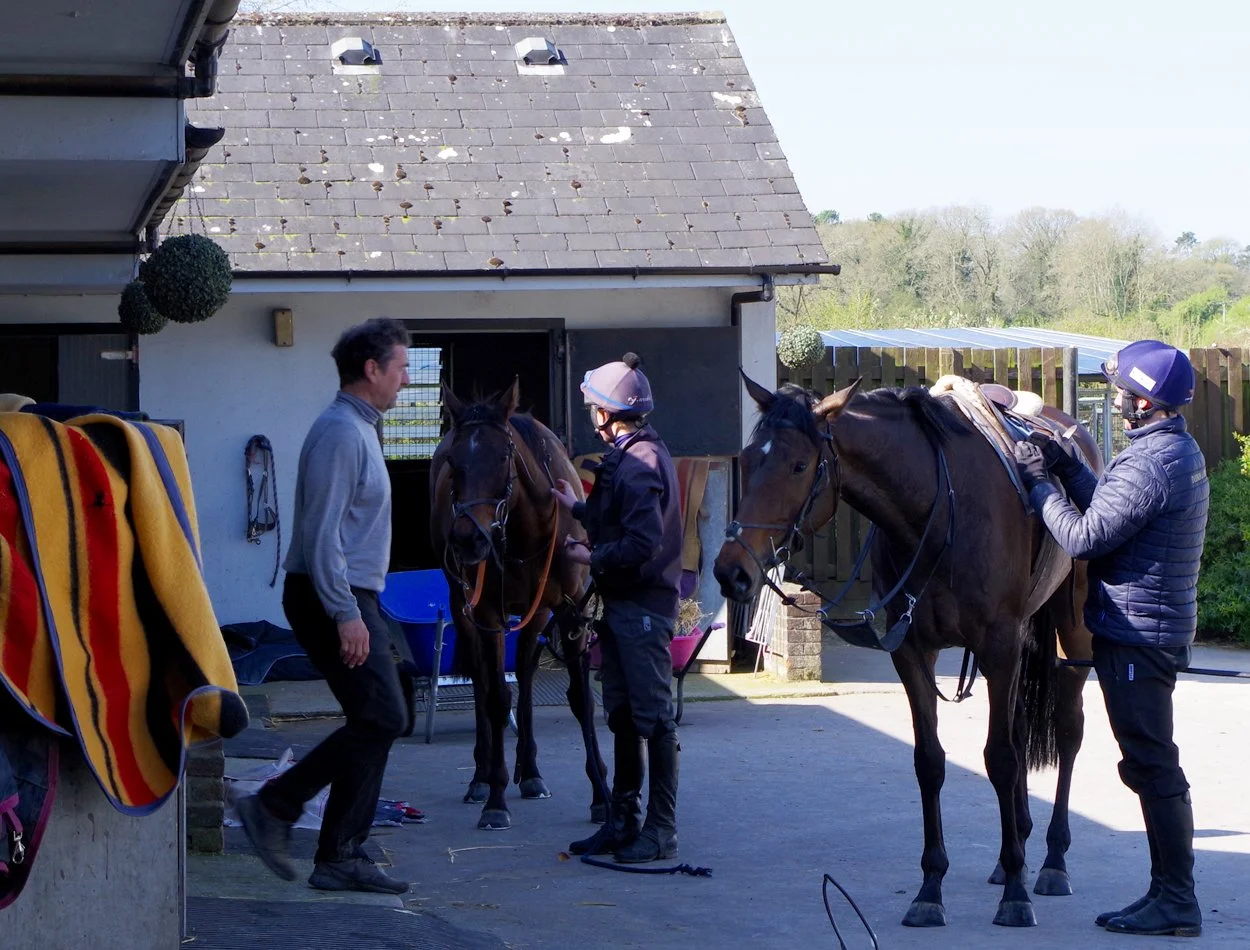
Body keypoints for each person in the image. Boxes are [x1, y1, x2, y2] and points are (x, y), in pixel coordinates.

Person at [1013, 340, 1208, 938]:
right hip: (1147, 628)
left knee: (1152, 764)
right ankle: (1165, 893)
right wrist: (1066, 463)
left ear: (1145, 399)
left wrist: (1040, 482)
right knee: (1149, 763)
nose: (1116, 396)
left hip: (1137, 636)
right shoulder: (1167, 451)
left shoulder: (1152, 463)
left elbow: (1084, 536)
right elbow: (1115, 508)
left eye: (1122, 388)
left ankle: (1177, 900)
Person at [236, 317, 412, 895]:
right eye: (401, 367)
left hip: (350, 593)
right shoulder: (341, 431)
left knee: (377, 719)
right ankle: (275, 807)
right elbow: (320, 534)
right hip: (329, 594)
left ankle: (340, 854)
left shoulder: (359, 428)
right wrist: (345, 612)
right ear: (372, 369)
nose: (406, 380)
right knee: (384, 716)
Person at [551, 352, 684, 863]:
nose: (592, 416)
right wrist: (577, 508)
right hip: (625, 606)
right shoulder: (633, 454)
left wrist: (590, 554)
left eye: (592, 408)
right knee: (625, 716)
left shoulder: (638, 463)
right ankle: (623, 819)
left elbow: (642, 542)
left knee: (655, 720)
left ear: (607, 414)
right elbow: (617, 515)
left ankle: (661, 829)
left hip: (643, 608)